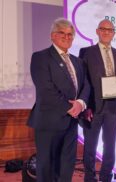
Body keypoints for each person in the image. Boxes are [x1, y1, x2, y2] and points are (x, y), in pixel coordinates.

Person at [28, 17, 90, 181]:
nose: (66, 37)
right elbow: (45, 89)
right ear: (52, 36)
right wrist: (70, 107)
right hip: (49, 120)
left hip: (72, 121)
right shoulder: (40, 57)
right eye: (61, 33)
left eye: (70, 34)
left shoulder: (78, 62)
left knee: (67, 164)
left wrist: (81, 104)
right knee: (47, 165)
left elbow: (86, 86)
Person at [79, 19, 116, 182]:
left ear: (114, 33)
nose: (107, 32)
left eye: (110, 30)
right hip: (92, 108)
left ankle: (107, 177)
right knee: (90, 147)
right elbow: (82, 81)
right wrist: (85, 106)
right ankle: (90, 177)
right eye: (103, 29)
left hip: (113, 108)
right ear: (97, 31)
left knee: (110, 147)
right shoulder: (86, 52)